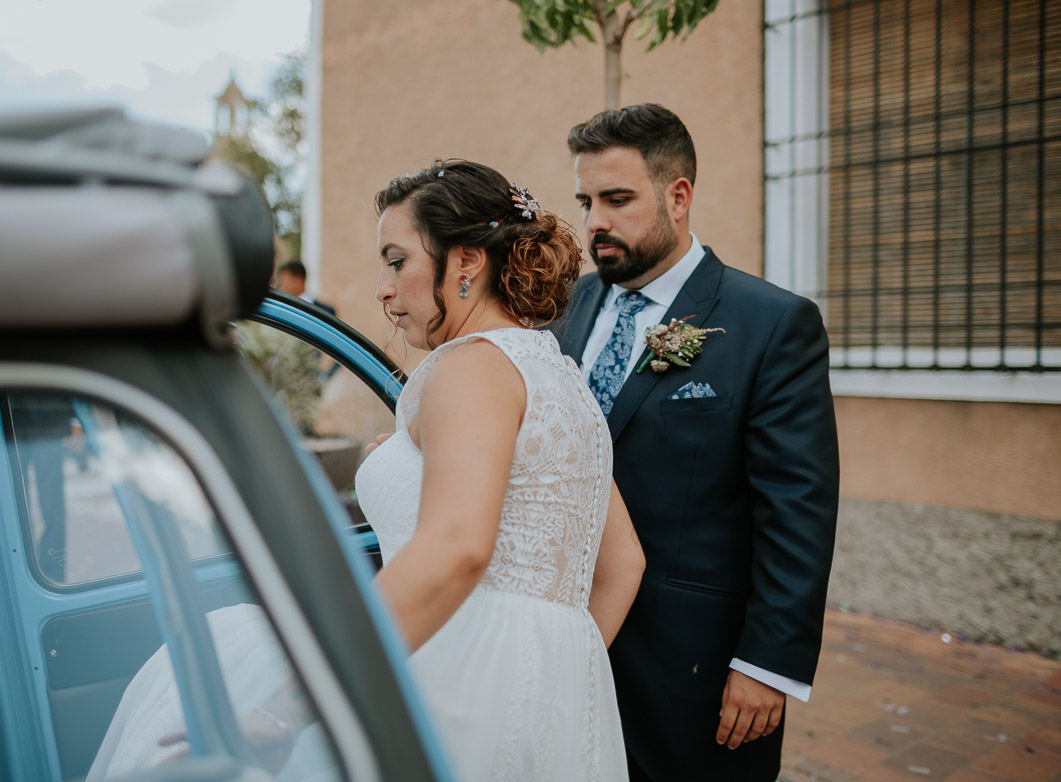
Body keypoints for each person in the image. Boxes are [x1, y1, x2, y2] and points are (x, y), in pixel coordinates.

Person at [556, 103, 839, 782]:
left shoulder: (770, 325)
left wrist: (766, 664)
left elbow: (796, 507)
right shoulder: (564, 307)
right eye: (586, 201)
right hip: (564, 643)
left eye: (617, 199)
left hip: (690, 667)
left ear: (676, 196)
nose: (595, 221)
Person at [355, 159, 644, 781]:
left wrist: (324, 678)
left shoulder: (471, 366)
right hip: (557, 696)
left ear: (465, 262)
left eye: (397, 260)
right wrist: (549, 679)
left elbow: (457, 546)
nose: (382, 288)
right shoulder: (559, 377)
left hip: (454, 677)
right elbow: (624, 566)